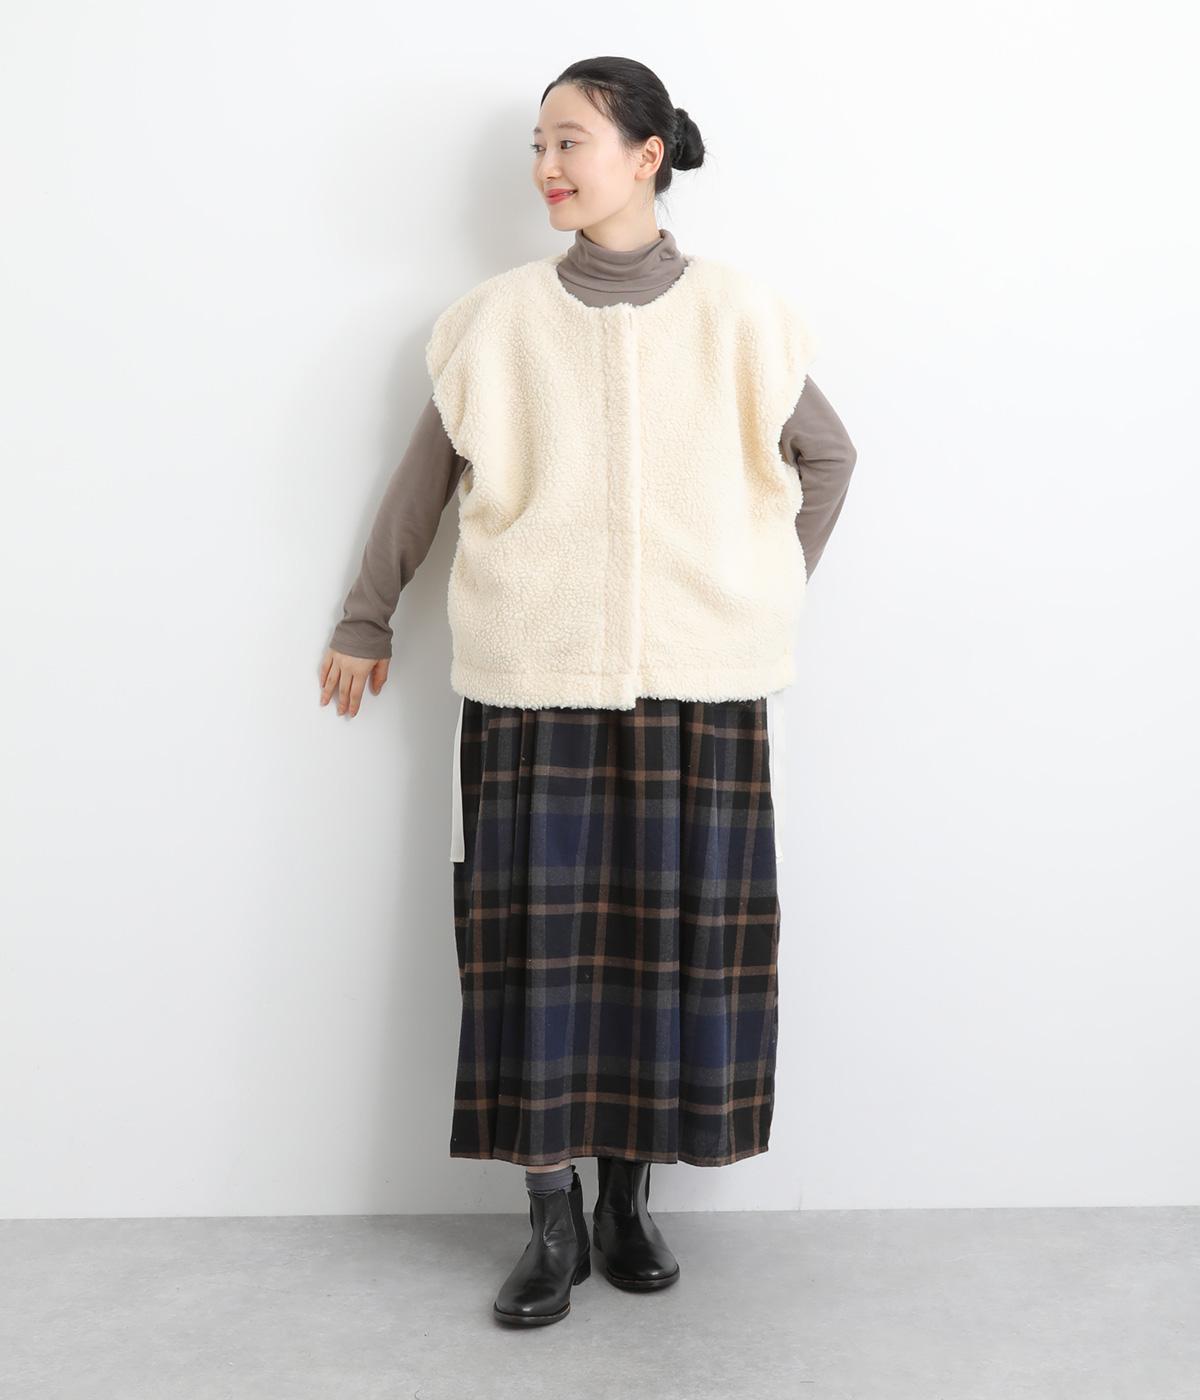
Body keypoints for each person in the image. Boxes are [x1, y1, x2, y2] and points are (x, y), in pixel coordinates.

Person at [319, 56, 857, 1328]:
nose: (547, 167)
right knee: (533, 957)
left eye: (571, 141)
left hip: (701, 688)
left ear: (646, 155)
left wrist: (757, 590)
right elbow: (423, 482)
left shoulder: (742, 315)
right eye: (537, 145)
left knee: (676, 957)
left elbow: (829, 456)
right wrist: (365, 613)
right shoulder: (494, 322)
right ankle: (550, 1219)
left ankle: (628, 1201)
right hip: (533, 687)